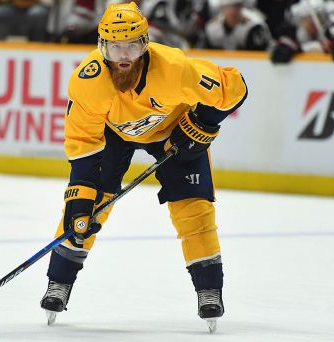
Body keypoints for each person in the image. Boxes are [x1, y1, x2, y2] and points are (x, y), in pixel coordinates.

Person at [40, 1, 248, 332]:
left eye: (132, 45)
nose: (124, 55)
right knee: (86, 210)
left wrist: (201, 126)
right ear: (101, 46)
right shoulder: (88, 81)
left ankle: (209, 288)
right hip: (115, 134)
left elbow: (234, 88)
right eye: (115, 46)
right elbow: (83, 145)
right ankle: (59, 282)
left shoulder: (174, 69)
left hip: (174, 131)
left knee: (193, 208)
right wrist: (79, 197)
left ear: (146, 43)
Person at [271, 0, 334, 64]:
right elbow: (287, 42)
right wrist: (284, 49)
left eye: (318, 16)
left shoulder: (332, 33)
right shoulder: (295, 34)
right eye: (306, 18)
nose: (311, 22)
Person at [202, 0, 271, 50]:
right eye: (229, 6)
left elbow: (259, 56)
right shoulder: (212, 27)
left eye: (236, 6)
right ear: (222, 8)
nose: (232, 10)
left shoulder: (254, 27)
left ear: (241, 6)